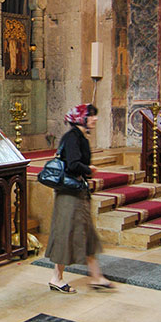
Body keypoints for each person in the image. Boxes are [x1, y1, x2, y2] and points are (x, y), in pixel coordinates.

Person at [45, 104, 113, 294]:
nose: (95, 118)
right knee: (66, 233)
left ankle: (96, 276)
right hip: (69, 195)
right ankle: (56, 278)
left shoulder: (79, 136)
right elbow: (73, 164)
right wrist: (89, 169)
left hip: (77, 192)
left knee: (86, 233)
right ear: (80, 118)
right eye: (90, 115)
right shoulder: (73, 137)